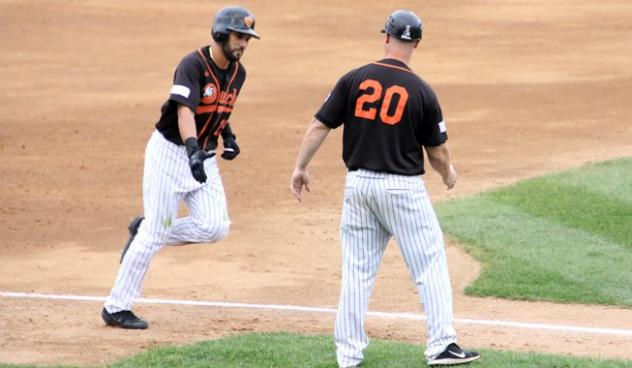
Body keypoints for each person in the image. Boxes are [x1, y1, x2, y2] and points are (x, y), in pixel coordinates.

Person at [290, 9, 480, 367]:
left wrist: (301, 168)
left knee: (357, 271)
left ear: (386, 37)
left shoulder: (354, 78)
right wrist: (448, 174)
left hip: (358, 186)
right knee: (430, 264)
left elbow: (318, 126)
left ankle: (348, 356)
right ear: (417, 43)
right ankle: (441, 345)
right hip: (402, 190)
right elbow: (437, 152)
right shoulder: (422, 90)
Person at [101, 5, 260, 329]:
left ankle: (146, 229)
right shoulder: (193, 65)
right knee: (155, 234)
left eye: (248, 38)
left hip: (203, 155)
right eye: (239, 36)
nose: (243, 44)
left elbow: (218, 109)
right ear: (220, 33)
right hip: (172, 154)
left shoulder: (238, 73)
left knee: (216, 226)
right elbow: (184, 111)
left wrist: (227, 136)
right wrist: (191, 151)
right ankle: (116, 307)